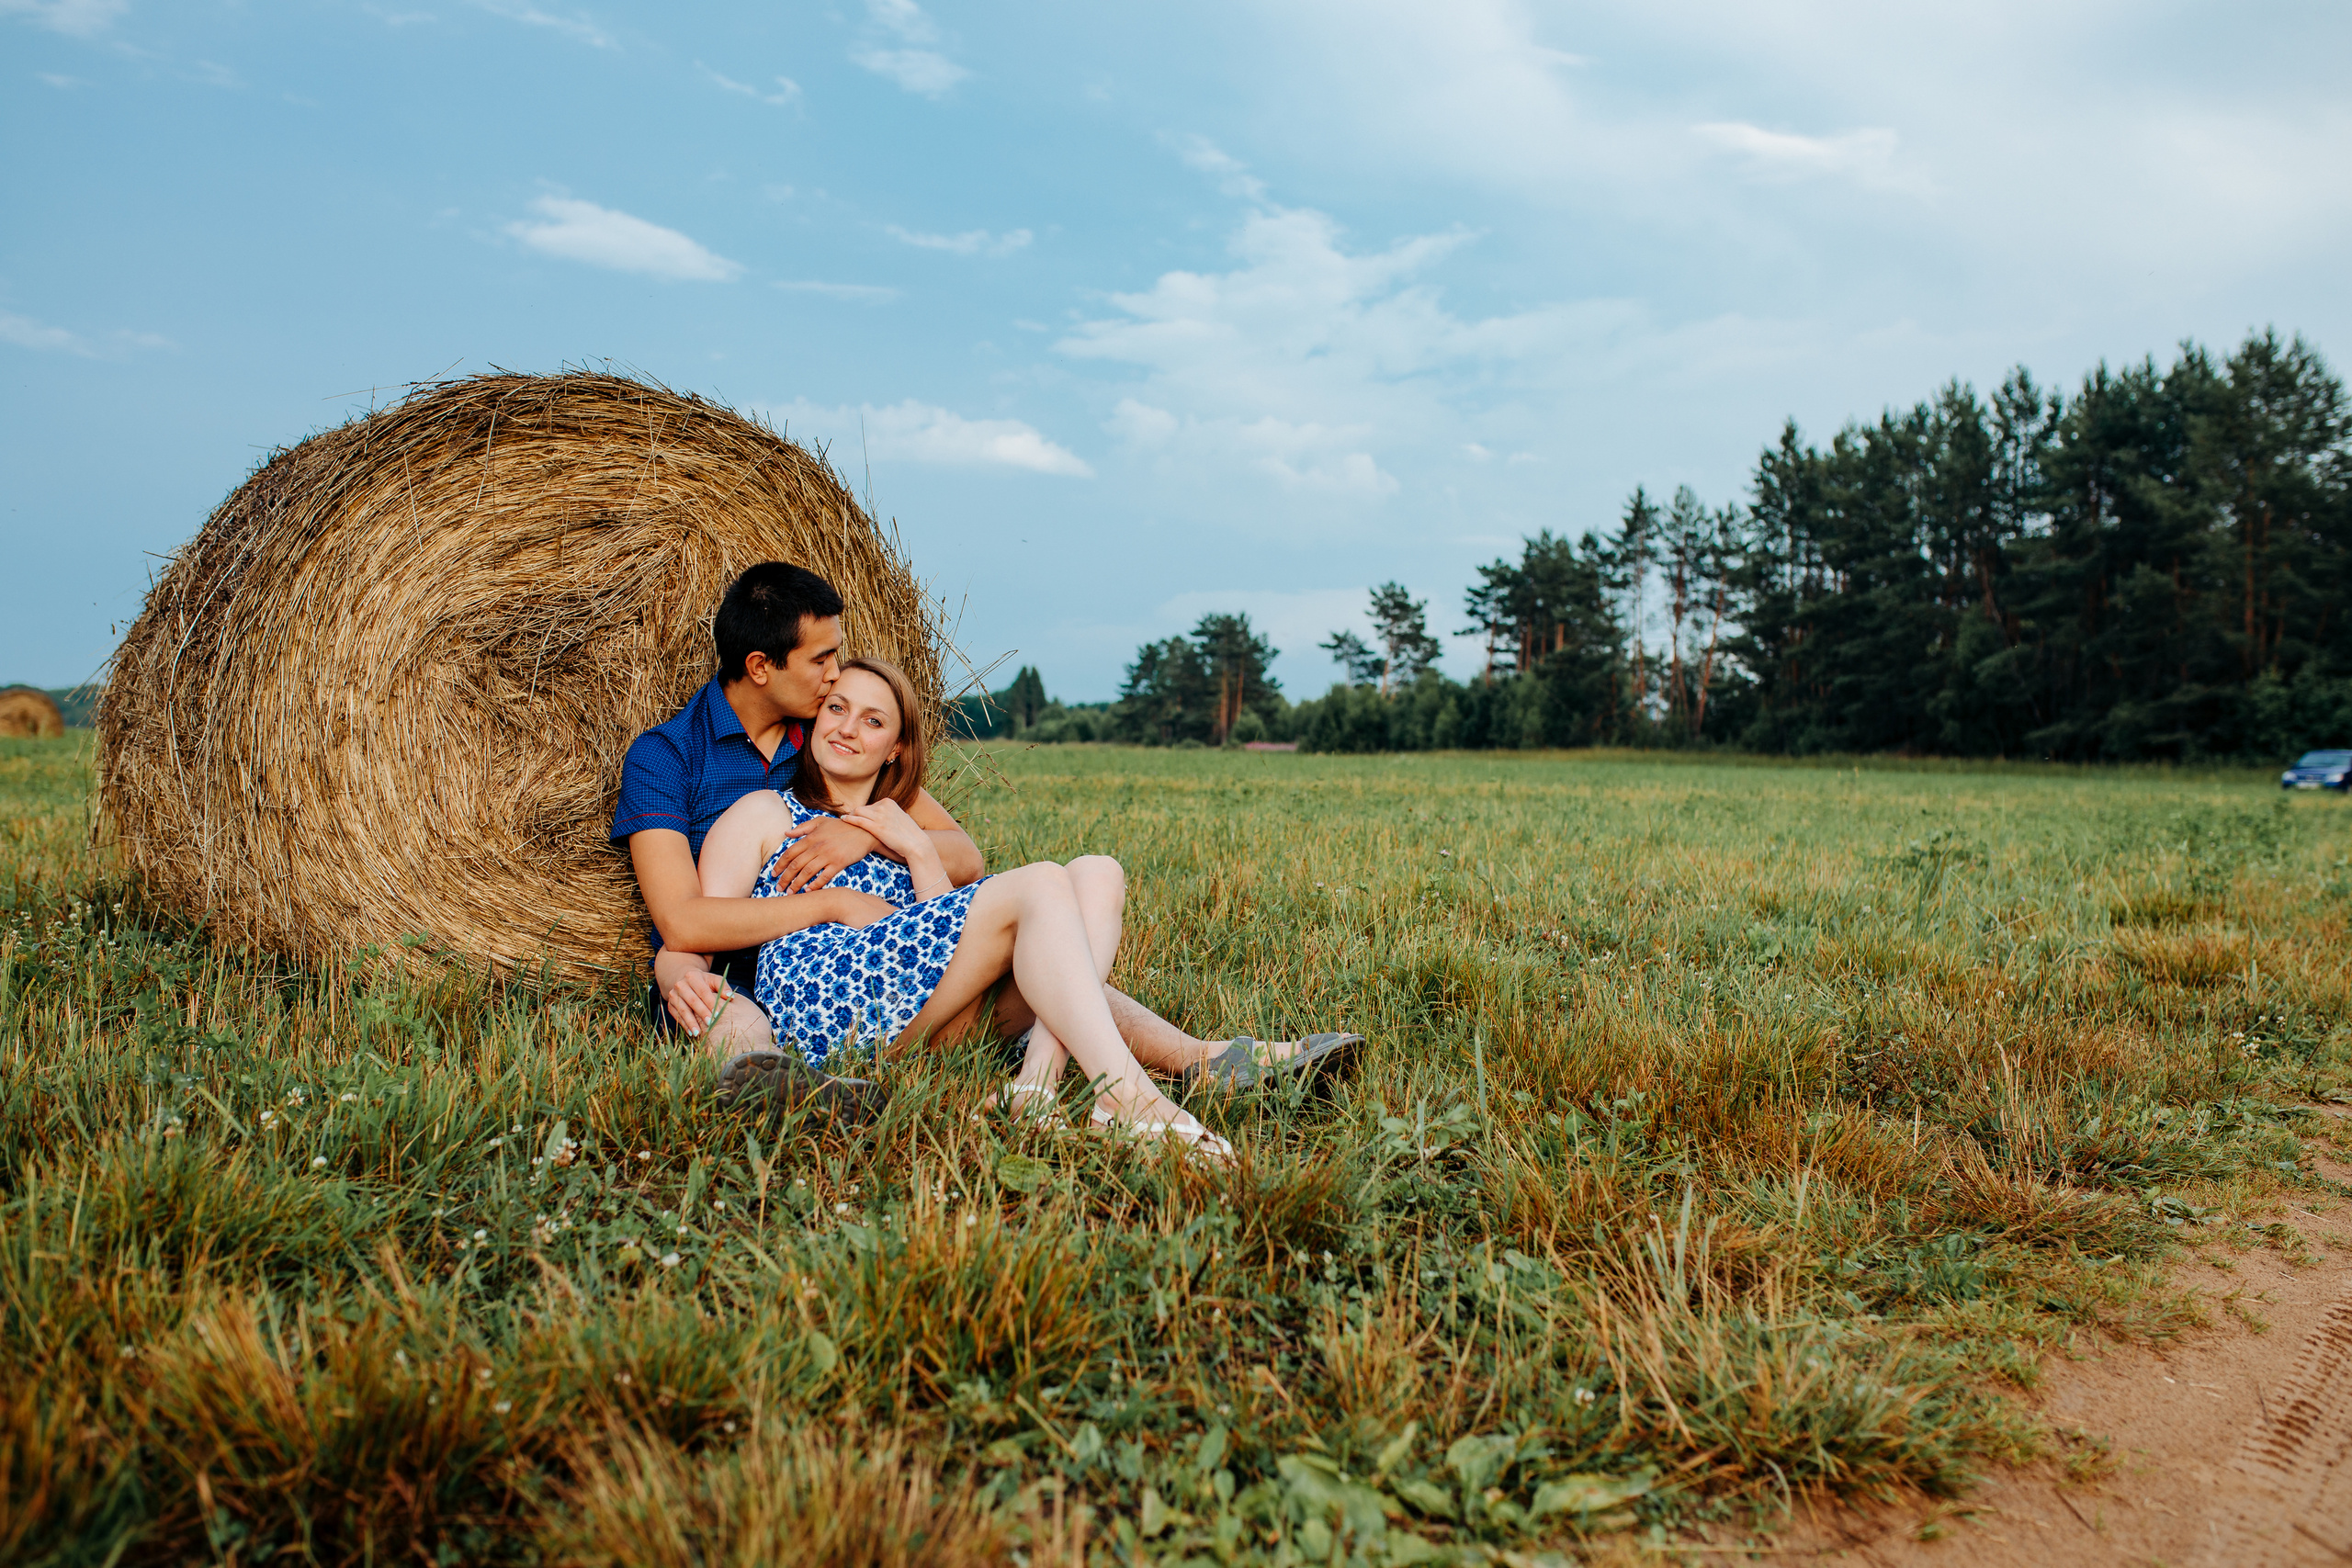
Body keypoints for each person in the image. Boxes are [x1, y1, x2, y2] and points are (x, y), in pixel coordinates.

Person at [613, 559, 1358, 1103]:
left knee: (1042, 955)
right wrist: (825, 904)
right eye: (822, 661)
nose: (838, 679)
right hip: (745, 971)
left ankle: (1202, 1060)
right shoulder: (668, 756)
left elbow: (960, 850)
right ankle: (797, 1091)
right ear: (759, 666)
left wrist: (868, 836)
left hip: (880, 964)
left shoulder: (831, 732)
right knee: (728, 1011)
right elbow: (683, 921)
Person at [697, 656, 1250, 1156]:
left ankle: (1035, 1089)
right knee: (1042, 884)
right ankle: (1127, 1096)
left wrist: (912, 844)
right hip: (830, 1007)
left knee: (1097, 874)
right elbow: (700, 927)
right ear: (816, 719)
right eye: (837, 708)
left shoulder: (905, 825)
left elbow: (944, 926)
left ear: (896, 747)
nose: (846, 727)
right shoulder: (765, 811)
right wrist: (830, 903)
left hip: (922, 1004)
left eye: (872, 720)